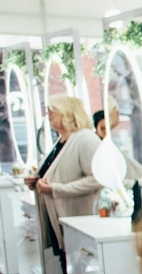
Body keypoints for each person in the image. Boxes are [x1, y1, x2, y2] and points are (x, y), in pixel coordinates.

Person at [26, 95, 102, 255]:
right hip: (58, 216)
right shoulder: (62, 141)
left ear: (67, 113)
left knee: (78, 270)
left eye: (53, 111)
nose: (49, 115)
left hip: (76, 218)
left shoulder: (85, 139)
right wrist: (37, 180)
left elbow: (97, 179)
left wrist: (56, 189)